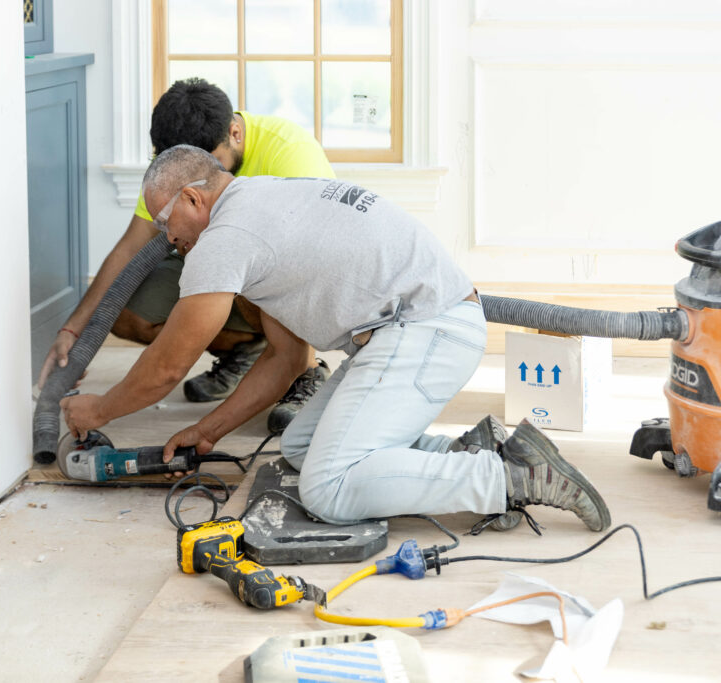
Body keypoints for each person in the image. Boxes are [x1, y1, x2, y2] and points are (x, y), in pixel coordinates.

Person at [60, 145, 611, 532]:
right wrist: (209, 430)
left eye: (163, 221)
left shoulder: (226, 238)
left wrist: (99, 411)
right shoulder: (264, 202)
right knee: (300, 447)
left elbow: (165, 367)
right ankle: (479, 449)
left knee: (329, 488)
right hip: (416, 328)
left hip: (426, 329)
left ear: (191, 198)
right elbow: (284, 359)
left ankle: (508, 478)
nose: (165, 237)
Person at [38, 78, 335, 435]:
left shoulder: (290, 153)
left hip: (278, 267)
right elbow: (131, 248)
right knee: (128, 310)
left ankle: (303, 369)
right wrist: (74, 329)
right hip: (214, 259)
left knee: (255, 274)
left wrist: (105, 409)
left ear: (235, 133)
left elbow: (304, 264)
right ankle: (247, 351)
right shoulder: (172, 169)